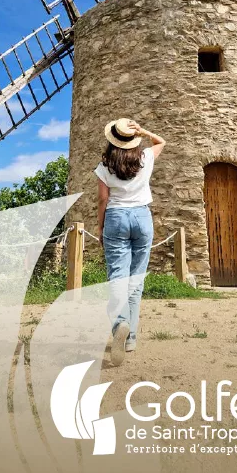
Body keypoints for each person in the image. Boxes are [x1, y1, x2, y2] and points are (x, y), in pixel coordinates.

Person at [94, 118, 165, 366]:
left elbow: (103, 200)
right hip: (142, 216)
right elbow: (161, 142)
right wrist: (143, 131)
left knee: (117, 276)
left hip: (115, 217)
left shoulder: (104, 166)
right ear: (133, 140)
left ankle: (120, 323)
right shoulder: (145, 157)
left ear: (112, 141)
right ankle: (131, 337)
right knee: (136, 278)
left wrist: (101, 226)